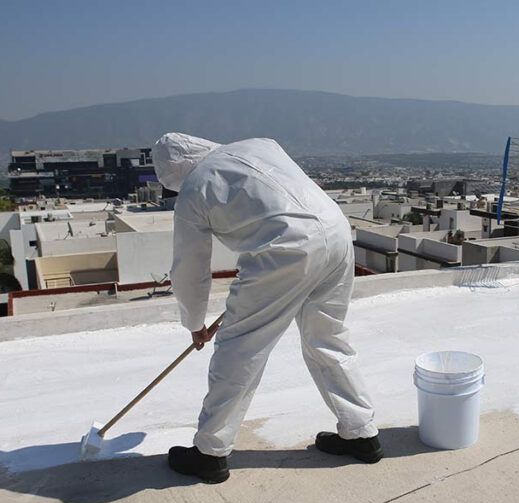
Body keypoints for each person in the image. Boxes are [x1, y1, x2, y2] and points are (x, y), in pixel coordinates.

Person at [152, 133, 381, 484]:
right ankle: (361, 433)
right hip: (335, 233)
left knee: (240, 349)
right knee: (328, 338)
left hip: (284, 250)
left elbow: (190, 268)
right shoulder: (261, 144)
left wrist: (194, 322)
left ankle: (210, 453)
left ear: (174, 173)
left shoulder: (195, 188)